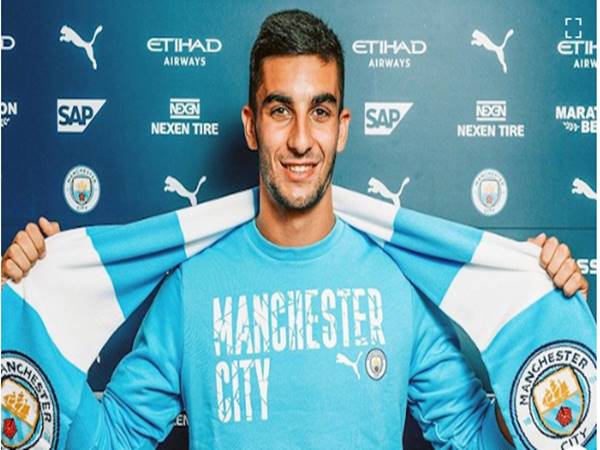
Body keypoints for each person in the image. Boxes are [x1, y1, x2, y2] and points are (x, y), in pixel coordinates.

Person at [1, 9, 589, 449]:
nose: (302, 139)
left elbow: (478, 438)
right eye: (281, 110)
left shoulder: (396, 286)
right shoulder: (192, 288)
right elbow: (110, 438)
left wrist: (542, 329)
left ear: (343, 128)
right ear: (251, 126)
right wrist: (31, 318)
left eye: (320, 111)